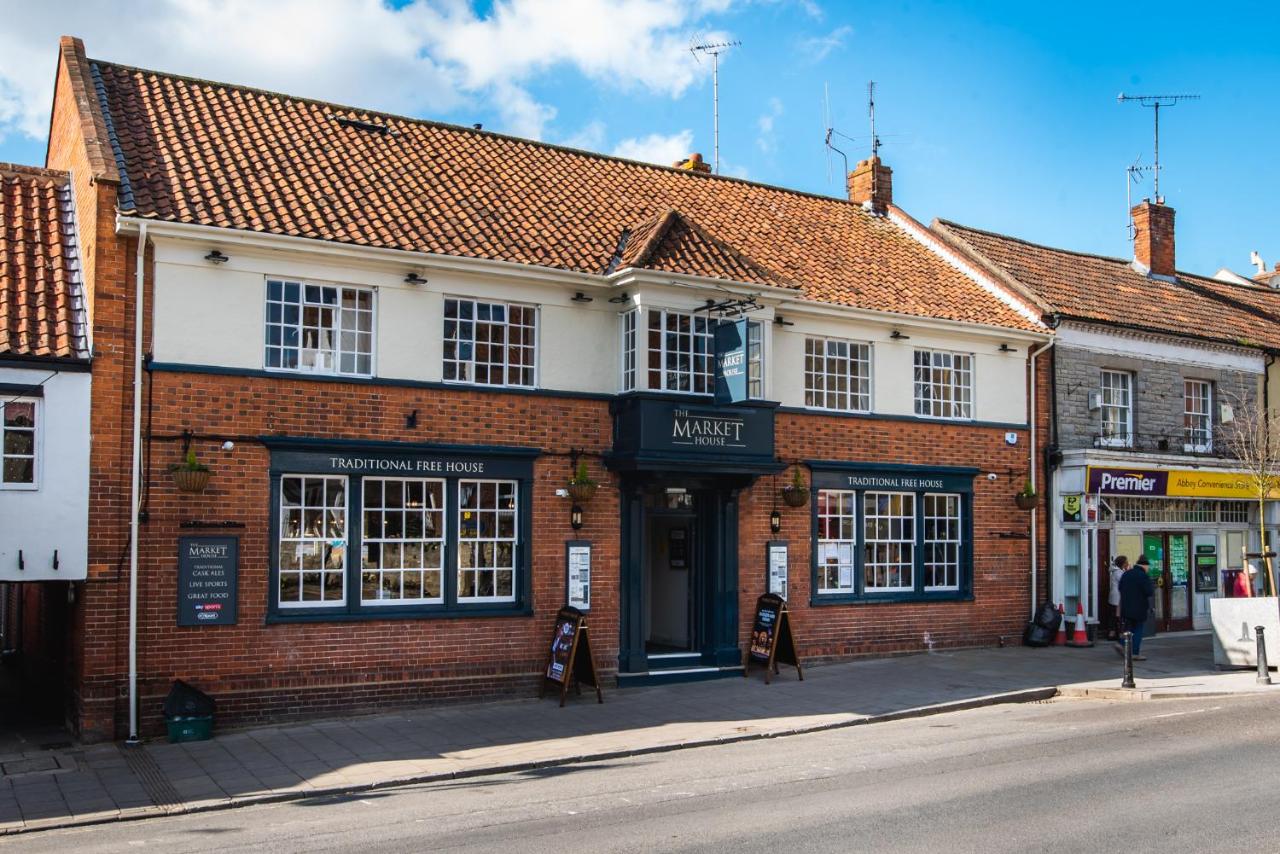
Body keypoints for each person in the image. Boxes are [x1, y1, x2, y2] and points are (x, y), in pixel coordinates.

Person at [1116, 555, 1156, 660]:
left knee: (1129, 628)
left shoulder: (1127, 574)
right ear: (1145, 566)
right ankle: (1134, 652)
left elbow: (1119, 587)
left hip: (1126, 607)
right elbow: (1149, 592)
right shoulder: (1143, 576)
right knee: (1138, 629)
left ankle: (1121, 644)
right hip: (1139, 608)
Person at [1108, 556, 1128, 641]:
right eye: (1126, 562)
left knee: (1113, 616)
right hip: (1117, 598)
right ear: (1122, 563)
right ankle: (1118, 634)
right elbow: (1125, 582)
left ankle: (1112, 633)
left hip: (1113, 597)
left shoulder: (1115, 572)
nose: (1127, 563)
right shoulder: (1119, 573)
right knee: (1118, 616)